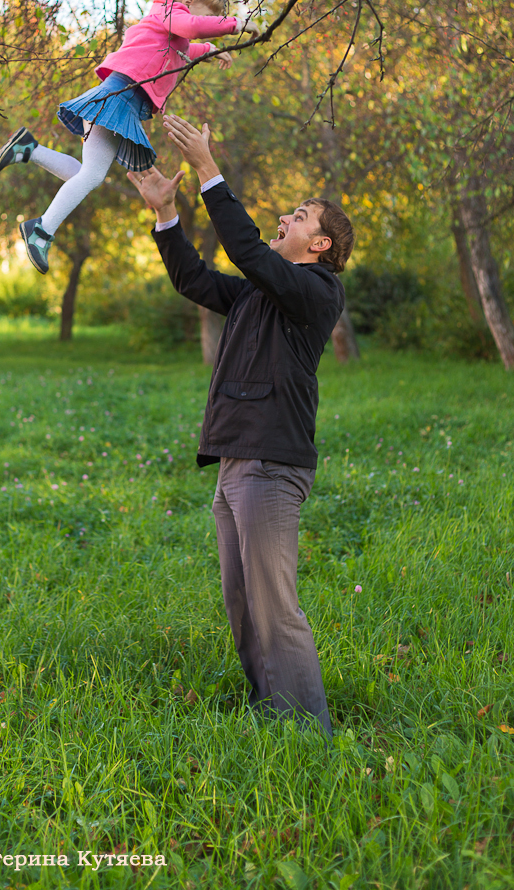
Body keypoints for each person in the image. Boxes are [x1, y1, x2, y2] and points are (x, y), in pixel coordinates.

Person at [127, 114, 352, 734]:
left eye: (302, 217)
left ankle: (308, 732)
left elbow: (248, 250)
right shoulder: (260, 291)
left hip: (272, 463)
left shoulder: (315, 292)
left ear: (321, 245)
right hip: (234, 460)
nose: (289, 217)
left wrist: (208, 168)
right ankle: (270, 710)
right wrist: (165, 216)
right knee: (243, 603)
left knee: (274, 607)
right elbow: (193, 279)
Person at [0, 0, 246, 274]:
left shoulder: (171, 33)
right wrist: (233, 24)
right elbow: (191, 28)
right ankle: (41, 229)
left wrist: (209, 49)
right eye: (208, 17)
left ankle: (29, 149)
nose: (206, 24)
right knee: (91, 177)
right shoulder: (166, 11)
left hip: (117, 98)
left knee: (86, 175)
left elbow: (186, 48)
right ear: (189, 3)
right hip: (119, 98)